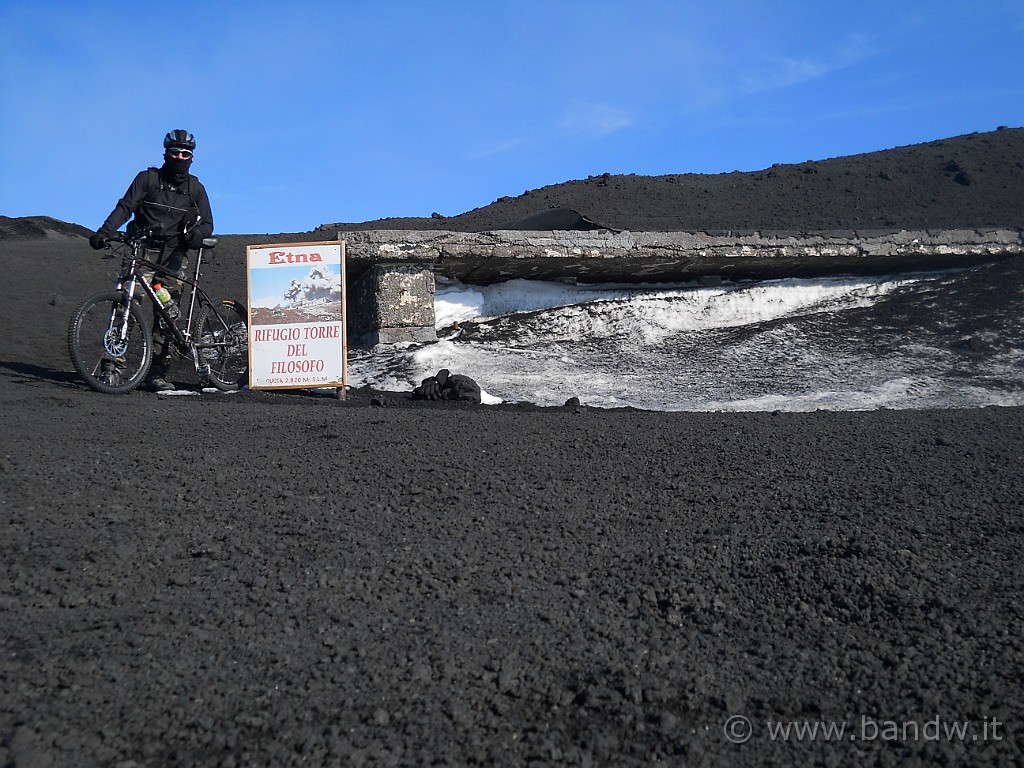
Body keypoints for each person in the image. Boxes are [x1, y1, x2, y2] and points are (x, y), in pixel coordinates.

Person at [89, 129, 214, 391]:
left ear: (192, 156)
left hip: (173, 257)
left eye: (185, 153)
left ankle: (157, 373)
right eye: (175, 152)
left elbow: (208, 224)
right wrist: (105, 231)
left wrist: (195, 236)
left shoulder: (196, 189)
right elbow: (125, 207)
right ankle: (111, 369)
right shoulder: (147, 179)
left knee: (166, 315)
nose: (180, 157)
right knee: (125, 307)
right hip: (142, 251)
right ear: (165, 153)